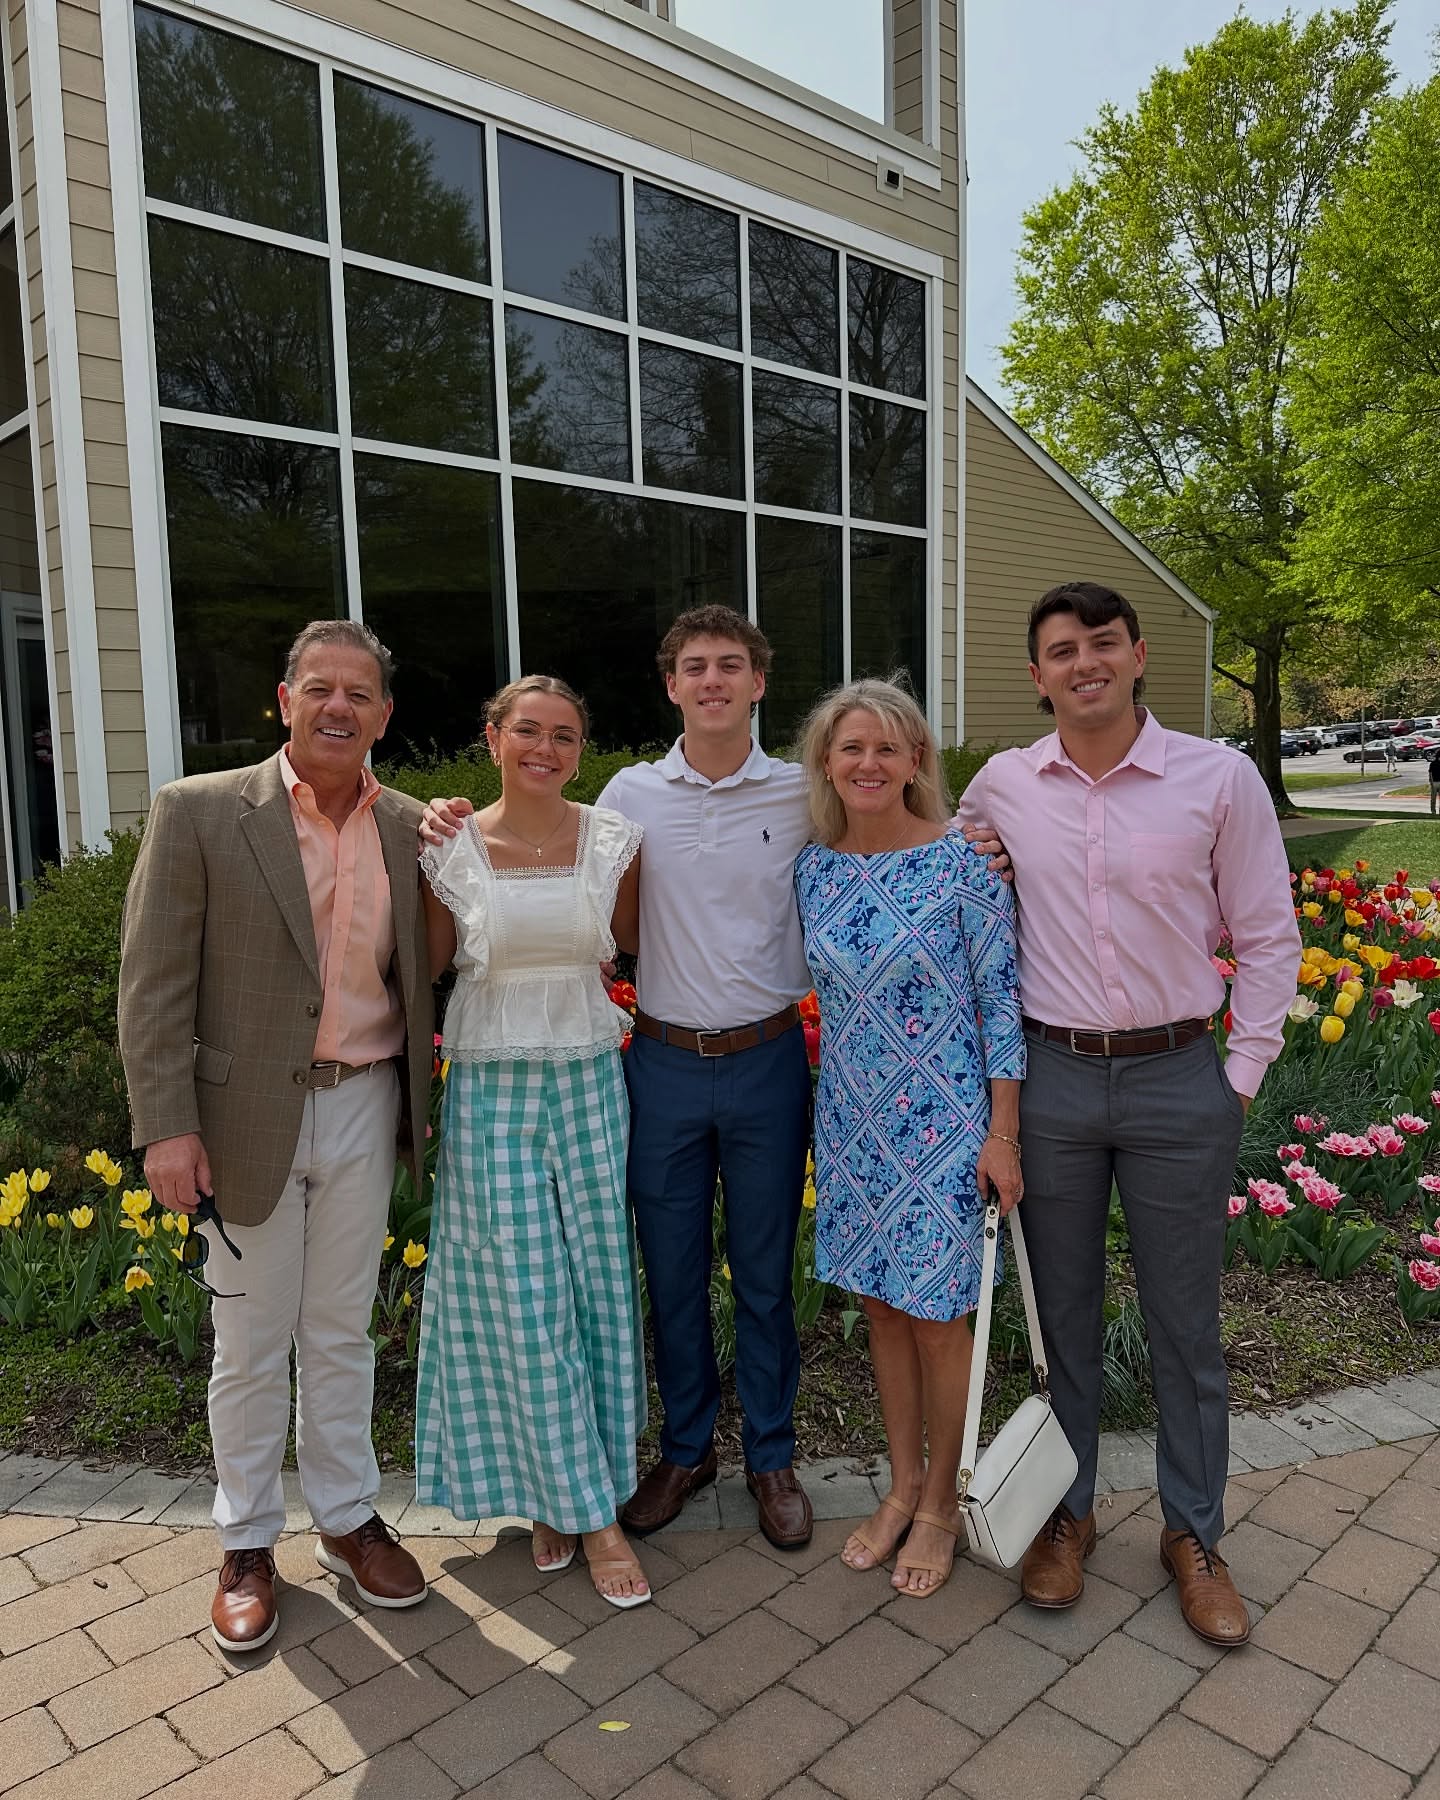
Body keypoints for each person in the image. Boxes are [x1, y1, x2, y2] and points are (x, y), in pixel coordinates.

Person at [957, 581, 1300, 1649]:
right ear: (1037, 673)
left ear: (1139, 654)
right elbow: (958, 889)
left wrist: (1236, 1078)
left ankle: (1194, 1533)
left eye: (1103, 643)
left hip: (1177, 1079)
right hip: (1053, 1081)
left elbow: (1268, 935)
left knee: (1184, 1327)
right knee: (1061, 1319)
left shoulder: (1218, 778)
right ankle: (1069, 1513)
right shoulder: (1002, 787)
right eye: (1063, 650)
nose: (1085, 663)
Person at [117, 620, 432, 1653]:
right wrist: (167, 1126)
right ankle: (247, 1541)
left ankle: (346, 1518)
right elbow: (152, 983)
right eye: (320, 688)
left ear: (384, 714)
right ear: (286, 699)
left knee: (341, 1330)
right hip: (241, 1115)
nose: (339, 706)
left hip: (365, 1102)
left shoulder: (413, 829)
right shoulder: (201, 810)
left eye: (360, 693)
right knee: (250, 1344)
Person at [416, 676, 650, 1607]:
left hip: (591, 1080)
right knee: (520, 1294)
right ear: (493, 738)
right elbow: (424, 969)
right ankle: (588, 1514)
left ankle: (571, 1490)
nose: (544, 749)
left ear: (581, 751)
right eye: (527, 731)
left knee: (596, 1286)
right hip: (490, 1087)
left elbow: (639, 947)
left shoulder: (614, 841)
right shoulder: (450, 847)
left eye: (564, 735)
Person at [794, 680, 1024, 1596]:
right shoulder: (814, 870)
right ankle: (899, 1485)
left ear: (915, 761)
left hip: (945, 1124)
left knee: (936, 1316)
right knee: (881, 1309)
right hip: (853, 1124)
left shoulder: (964, 862)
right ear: (826, 764)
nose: (869, 763)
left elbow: (1000, 1004)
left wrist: (1003, 1134)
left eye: (888, 747)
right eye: (851, 747)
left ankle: (941, 1502)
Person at [1428, 744, 1440, 815]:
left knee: (1433, 799)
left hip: (1434, 783)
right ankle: (1433, 811)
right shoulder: (1433, 764)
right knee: (1433, 799)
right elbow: (1430, 774)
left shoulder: (1432, 764)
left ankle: (1433, 811)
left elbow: (1430, 774)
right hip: (1435, 782)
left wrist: (1431, 782)